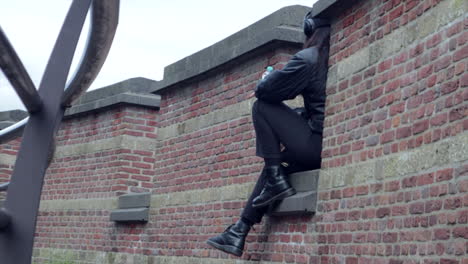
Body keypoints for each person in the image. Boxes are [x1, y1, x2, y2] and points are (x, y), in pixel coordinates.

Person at [206, 12, 331, 257]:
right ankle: (239, 230)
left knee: (261, 107)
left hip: (315, 146)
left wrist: (268, 78)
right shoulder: (332, 57)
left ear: (309, 30)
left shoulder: (309, 58)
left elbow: (265, 92)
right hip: (324, 143)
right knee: (275, 164)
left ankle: (274, 181)